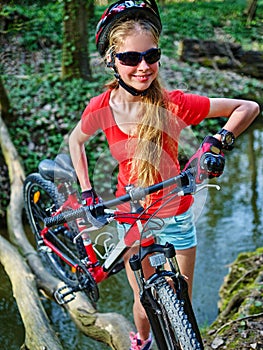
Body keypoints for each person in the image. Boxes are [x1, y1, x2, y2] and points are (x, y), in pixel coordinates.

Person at [68, 1, 260, 348]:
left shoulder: (176, 103)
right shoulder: (102, 108)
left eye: (151, 56)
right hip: (132, 216)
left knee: (182, 297)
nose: (143, 67)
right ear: (111, 60)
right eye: (130, 58)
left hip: (178, 213)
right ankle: (141, 339)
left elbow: (248, 107)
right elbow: (75, 141)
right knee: (144, 300)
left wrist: (219, 142)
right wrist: (86, 192)